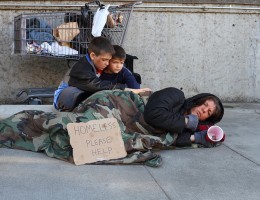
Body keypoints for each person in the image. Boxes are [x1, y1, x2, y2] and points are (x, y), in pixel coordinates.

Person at [0, 87, 224, 167]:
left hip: (123, 125)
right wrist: (188, 123)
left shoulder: (183, 128)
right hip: (113, 105)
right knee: (73, 128)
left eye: (209, 112)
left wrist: (199, 139)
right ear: (198, 101)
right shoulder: (176, 95)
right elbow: (154, 115)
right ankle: (9, 128)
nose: (204, 110)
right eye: (205, 104)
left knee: (84, 144)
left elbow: (168, 140)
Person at [54, 36, 142, 112]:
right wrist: (124, 88)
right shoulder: (82, 68)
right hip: (63, 99)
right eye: (104, 60)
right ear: (92, 55)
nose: (107, 63)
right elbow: (96, 85)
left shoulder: (98, 63)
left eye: (109, 60)